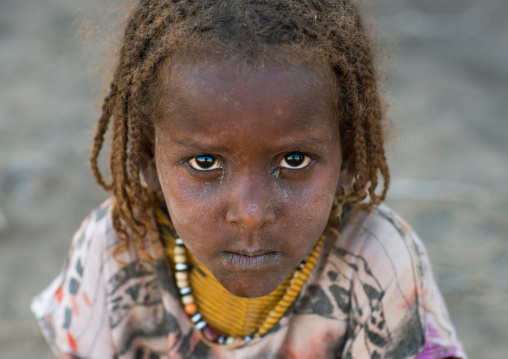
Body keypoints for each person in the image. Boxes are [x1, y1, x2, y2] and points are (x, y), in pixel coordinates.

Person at [32, 1, 467, 358]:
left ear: (347, 157)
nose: (252, 214)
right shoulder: (114, 247)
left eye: (295, 160)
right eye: (204, 163)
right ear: (148, 158)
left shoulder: (377, 262)